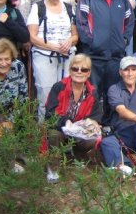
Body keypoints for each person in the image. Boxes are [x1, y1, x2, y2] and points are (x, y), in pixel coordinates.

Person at [76, 0, 134, 119]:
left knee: (113, 93)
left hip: (115, 55)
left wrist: (123, 41)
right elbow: (81, 21)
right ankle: (91, 125)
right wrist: (92, 42)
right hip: (94, 55)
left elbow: (129, 22)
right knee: (92, 92)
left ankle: (109, 125)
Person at [27, 0, 78, 121]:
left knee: (67, 95)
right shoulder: (38, 8)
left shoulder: (69, 8)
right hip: (44, 57)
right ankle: (43, 136)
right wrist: (53, 47)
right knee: (46, 96)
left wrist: (70, 41)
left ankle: (63, 133)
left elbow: (75, 35)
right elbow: (32, 36)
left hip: (67, 57)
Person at [44, 54, 102, 182]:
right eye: (75, 69)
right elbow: (49, 113)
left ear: (89, 73)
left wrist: (92, 123)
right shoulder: (59, 87)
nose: (79, 72)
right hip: (60, 129)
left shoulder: (92, 92)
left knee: (94, 137)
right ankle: (52, 168)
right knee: (54, 134)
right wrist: (65, 121)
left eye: (84, 69)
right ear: (70, 70)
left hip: (79, 132)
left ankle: (77, 155)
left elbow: (96, 115)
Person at [100, 56, 136, 173]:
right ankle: (124, 167)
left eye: (133, 69)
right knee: (106, 142)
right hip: (120, 133)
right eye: (126, 70)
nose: (130, 73)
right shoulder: (114, 89)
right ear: (120, 72)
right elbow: (121, 111)